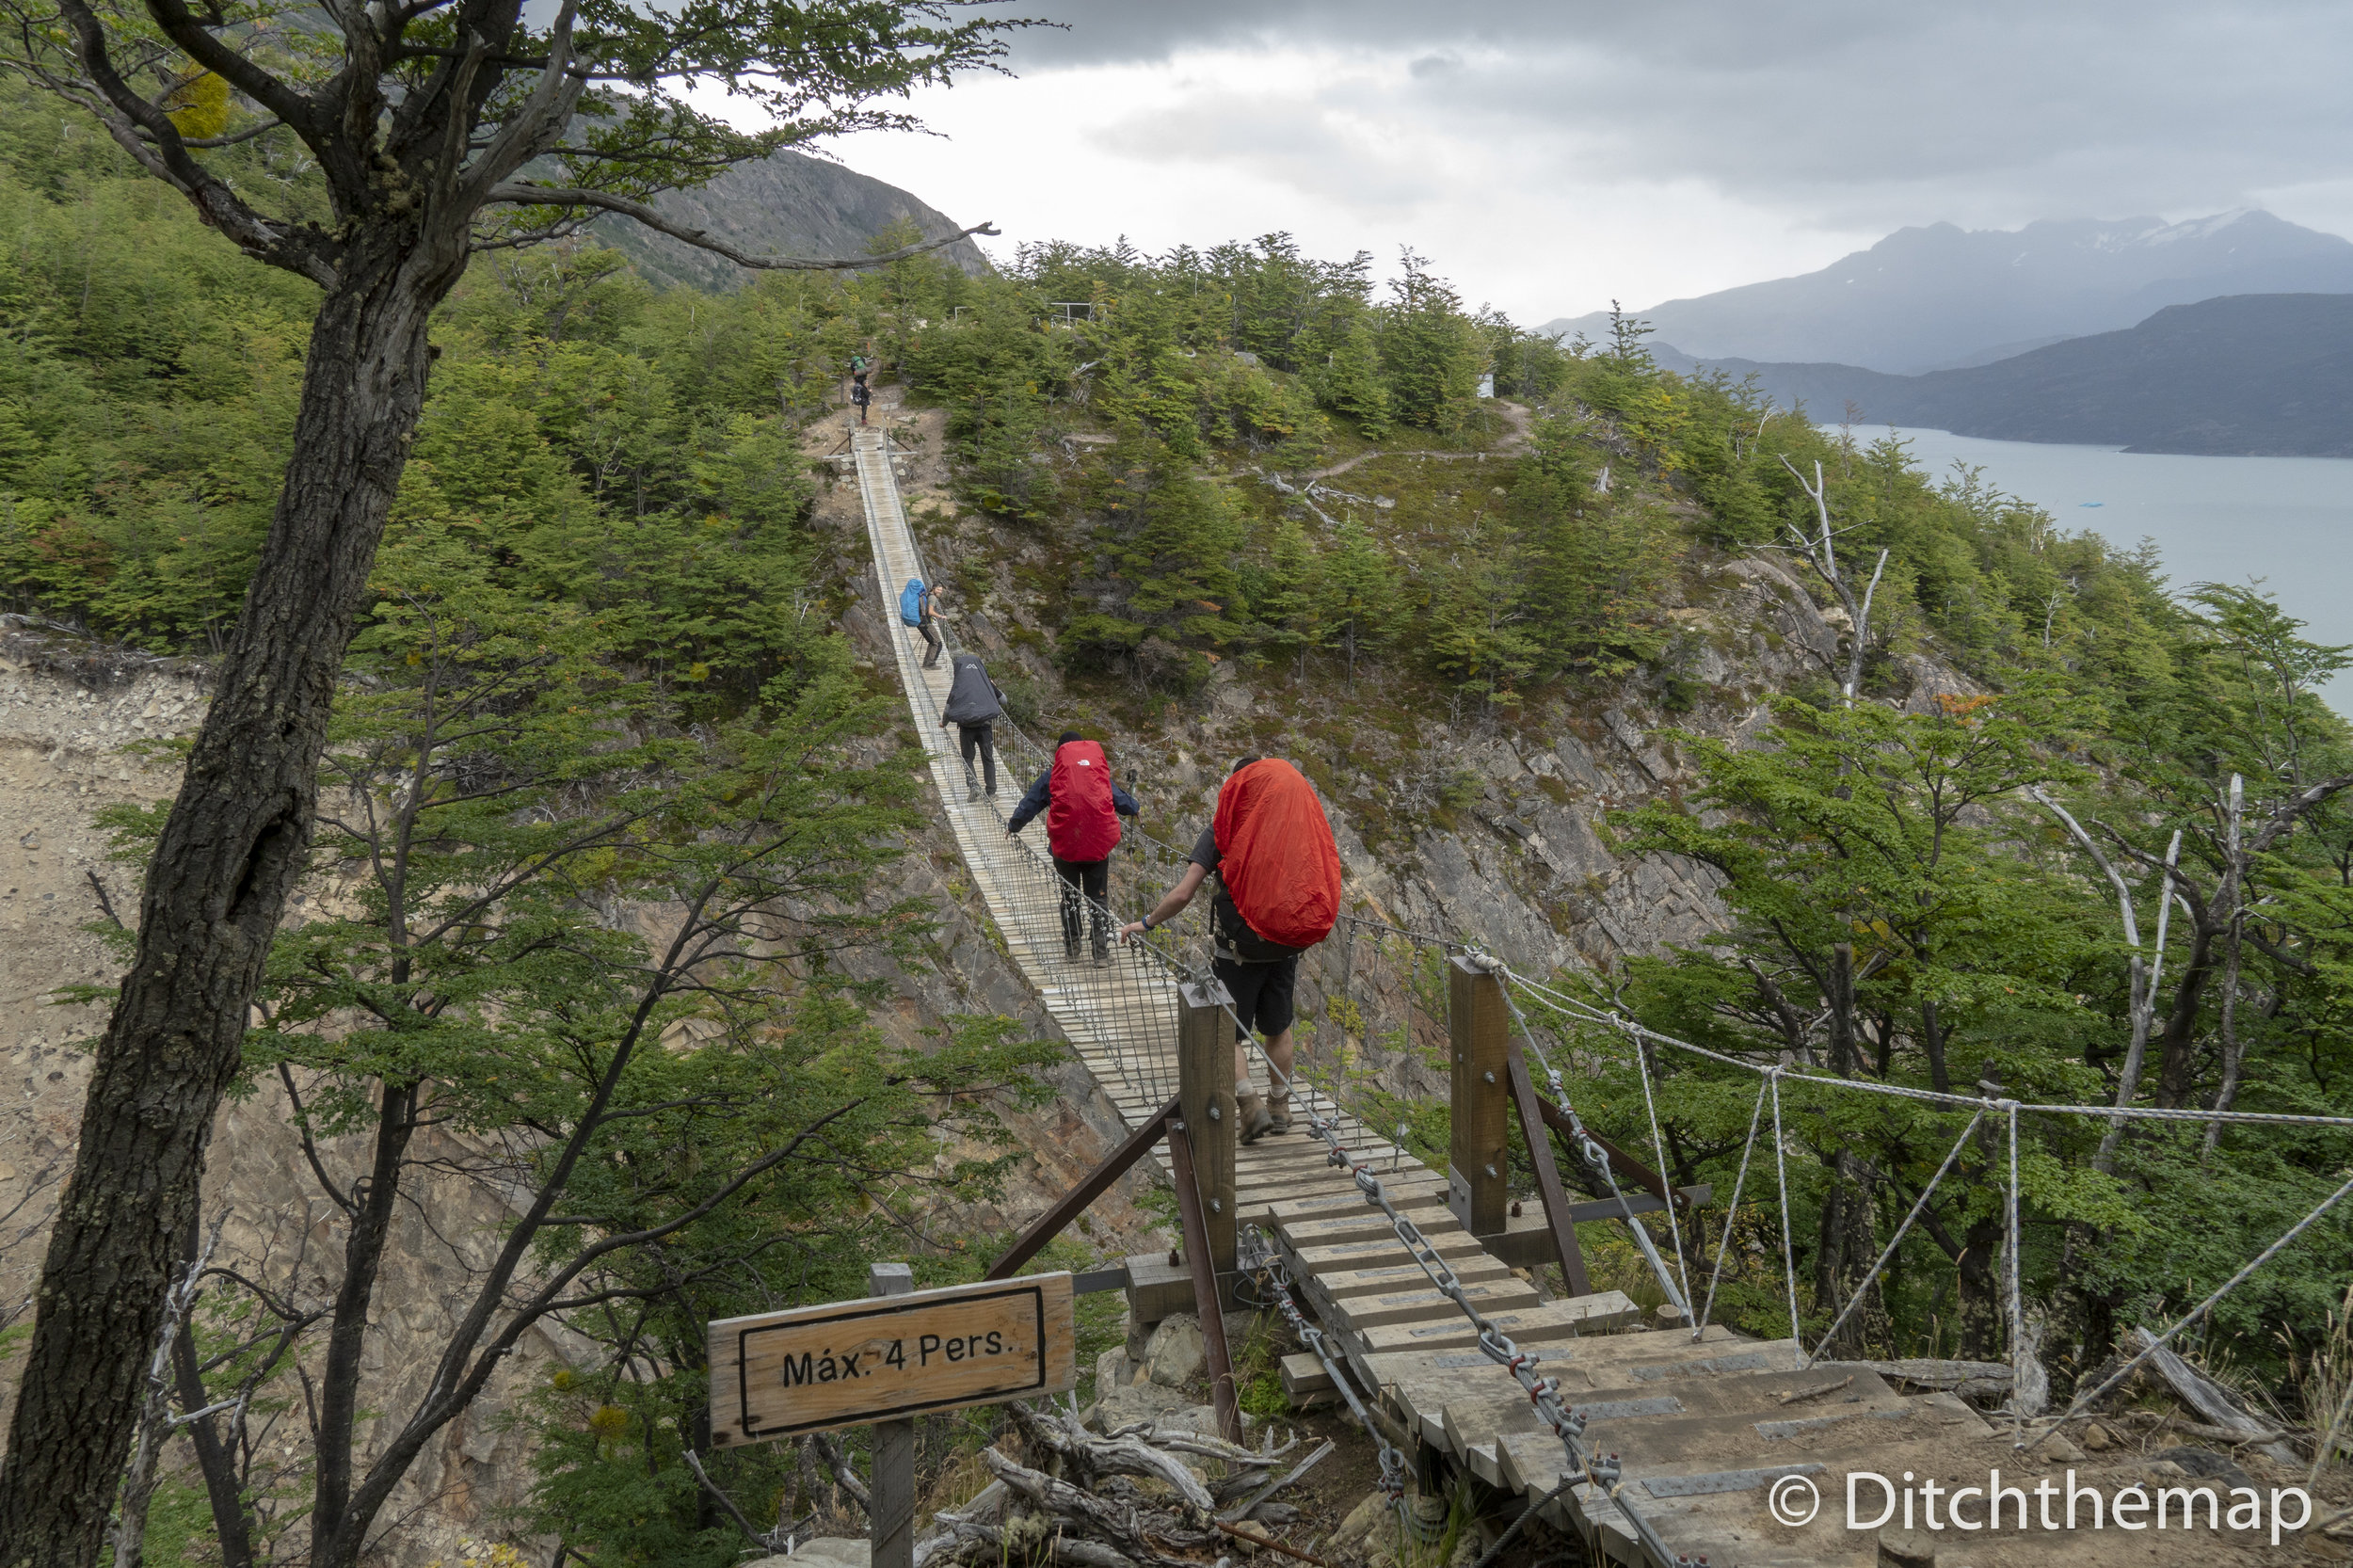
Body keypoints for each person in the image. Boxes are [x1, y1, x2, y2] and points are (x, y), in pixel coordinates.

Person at [1118, 757, 1343, 1144]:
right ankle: (1280, 1106)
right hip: (1285, 944)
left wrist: (1147, 923)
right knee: (1279, 1027)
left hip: (1240, 950)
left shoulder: (1223, 829)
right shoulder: (1291, 831)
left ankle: (1249, 1106)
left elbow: (1184, 892)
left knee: (1230, 1033)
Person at [1008, 731, 1141, 963]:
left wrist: (1013, 826)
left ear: (1060, 752)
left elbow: (1029, 804)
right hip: (1096, 849)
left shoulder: (1052, 776)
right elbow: (1120, 800)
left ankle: (1072, 949)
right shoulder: (1097, 774)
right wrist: (1135, 806)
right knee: (1097, 898)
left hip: (1064, 849)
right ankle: (1100, 954)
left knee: (1069, 896)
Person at [939, 651, 1003, 801]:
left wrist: (944, 723)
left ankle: (973, 786)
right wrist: (993, 687)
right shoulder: (986, 684)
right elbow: (1004, 700)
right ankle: (991, 792)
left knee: (968, 758)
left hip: (966, 728)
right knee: (987, 758)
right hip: (985, 727)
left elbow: (949, 708)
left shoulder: (959, 685)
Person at [913, 580, 943, 669]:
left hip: (920, 622)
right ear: (933, 589)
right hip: (925, 623)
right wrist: (940, 616)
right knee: (938, 643)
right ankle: (930, 664)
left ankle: (927, 663)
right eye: (938, 590)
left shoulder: (926, 595)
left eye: (941, 590)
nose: (940, 592)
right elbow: (930, 612)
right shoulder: (932, 598)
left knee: (932, 642)